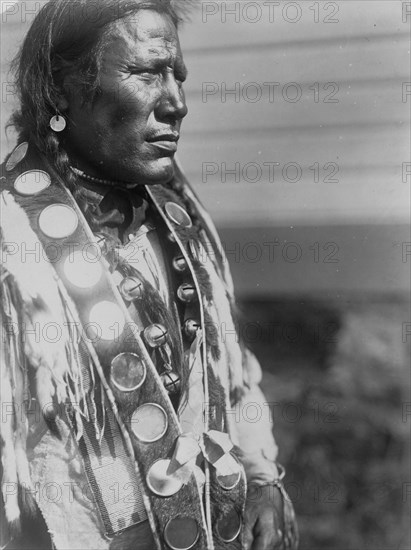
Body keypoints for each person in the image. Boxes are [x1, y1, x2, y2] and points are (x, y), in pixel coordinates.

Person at [0, 1, 298, 549]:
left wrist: (261, 479)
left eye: (177, 76)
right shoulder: (11, 241)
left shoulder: (179, 217)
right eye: (143, 73)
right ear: (59, 91)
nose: (177, 104)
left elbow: (232, 371)